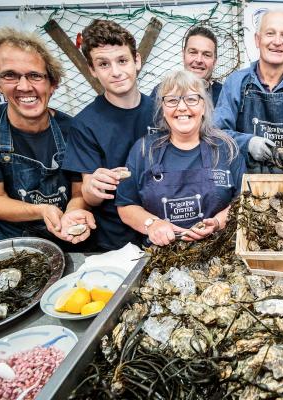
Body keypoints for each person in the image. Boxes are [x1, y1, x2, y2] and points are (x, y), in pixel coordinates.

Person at [0, 27, 93, 245]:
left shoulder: (75, 129)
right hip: (17, 242)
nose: (24, 86)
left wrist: (72, 214)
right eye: (10, 75)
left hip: (71, 236)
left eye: (35, 75)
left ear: (52, 83)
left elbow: (79, 194)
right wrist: (43, 209)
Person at [116, 70, 245, 247]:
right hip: (159, 257)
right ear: (163, 109)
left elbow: (244, 202)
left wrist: (217, 222)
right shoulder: (144, 150)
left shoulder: (226, 148)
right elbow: (126, 205)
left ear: (204, 107)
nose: (182, 107)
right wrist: (152, 224)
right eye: (172, 100)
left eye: (191, 99)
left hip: (217, 251)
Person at [63, 19, 155, 251]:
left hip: (160, 229)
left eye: (122, 60)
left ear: (137, 61)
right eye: (104, 64)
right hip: (115, 241)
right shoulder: (84, 124)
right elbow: (89, 196)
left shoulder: (163, 112)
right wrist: (93, 187)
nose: (116, 72)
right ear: (92, 70)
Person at [214, 10, 283, 174]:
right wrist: (247, 144)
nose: (277, 42)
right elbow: (217, 134)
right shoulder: (235, 83)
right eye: (270, 33)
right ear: (258, 40)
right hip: (242, 183)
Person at [150, 26, 222, 106]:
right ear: (183, 55)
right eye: (193, 52)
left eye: (206, 55)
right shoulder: (162, 91)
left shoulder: (224, 95)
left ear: (214, 61)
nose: (199, 60)